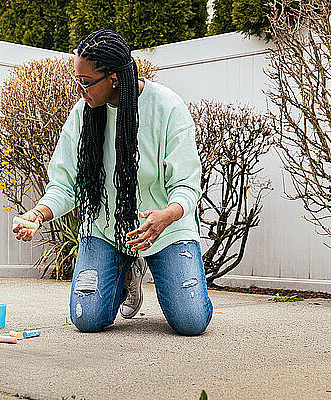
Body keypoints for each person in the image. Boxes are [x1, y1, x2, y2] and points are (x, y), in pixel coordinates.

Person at [12, 29, 213, 336]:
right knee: (87, 318)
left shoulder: (167, 107)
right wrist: (38, 214)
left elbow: (186, 184)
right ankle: (125, 271)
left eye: (86, 81)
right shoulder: (83, 114)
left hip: (165, 228)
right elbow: (65, 183)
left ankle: (157, 268)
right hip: (106, 229)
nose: (80, 89)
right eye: (76, 79)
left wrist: (167, 216)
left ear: (114, 78)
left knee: (191, 321)